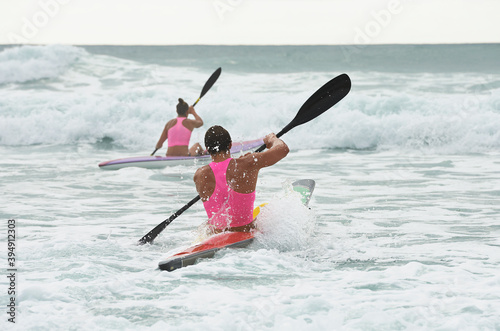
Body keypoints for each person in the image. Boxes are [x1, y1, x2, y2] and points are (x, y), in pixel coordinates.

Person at [193, 125, 289, 233]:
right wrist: (272, 139)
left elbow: (222, 186)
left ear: (207, 148)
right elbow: (283, 149)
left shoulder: (199, 175)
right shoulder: (247, 163)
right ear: (230, 145)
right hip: (245, 234)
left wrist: (239, 163)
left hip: (216, 237)